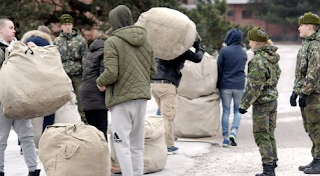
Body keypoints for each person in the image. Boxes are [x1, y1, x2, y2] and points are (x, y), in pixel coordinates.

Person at [96, 5, 156, 176]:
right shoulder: (146, 41)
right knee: (137, 146)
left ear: (114, 21)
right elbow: (153, 71)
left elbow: (111, 73)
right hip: (141, 98)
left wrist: (100, 82)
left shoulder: (112, 42)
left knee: (122, 144)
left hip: (121, 100)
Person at [0, 18, 41, 176]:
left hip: (20, 98)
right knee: (1, 138)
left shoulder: (18, 46)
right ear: (1, 29)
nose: (14, 30)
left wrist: (31, 50)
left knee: (27, 136)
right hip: (2, 100)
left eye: (14, 28)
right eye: (10, 28)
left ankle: (33, 170)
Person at [151, 36, 205, 154]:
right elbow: (197, 58)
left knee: (162, 115)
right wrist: (199, 46)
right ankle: (167, 146)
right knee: (168, 117)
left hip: (155, 84)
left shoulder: (162, 47)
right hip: (167, 85)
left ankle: (161, 142)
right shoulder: (180, 49)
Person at [239, 27, 281, 176]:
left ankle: (268, 169)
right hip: (272, 100)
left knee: (261, 134)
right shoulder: (272, 57)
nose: (249, 43)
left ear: (256, 42)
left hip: (262, 103)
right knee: (269, 132)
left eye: (250, 41)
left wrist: (244, 105)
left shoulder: (257, 60)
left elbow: (254, 86)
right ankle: (273, 160)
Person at [290, 12, 320, 174]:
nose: (298, 28)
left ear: (310, 26)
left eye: (301, 25)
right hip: (308, 94)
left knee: (316, 127)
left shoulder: (316, 45)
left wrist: (305, 93)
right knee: (310, 127)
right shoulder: (306, 44)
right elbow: (301, 72)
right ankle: (316, 159)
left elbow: (314, 72)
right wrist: (296, 92)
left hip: (315, 95)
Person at [217, 28, 247, 147]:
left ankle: (225, 138)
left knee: (226, 111)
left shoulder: (224, 51)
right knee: (237, 110)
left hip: (226, 85)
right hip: (239, 85)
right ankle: (234, 131)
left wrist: (217, 85)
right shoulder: (243, 52)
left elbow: (219, 69)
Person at [53, 14, 88, 114]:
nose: (67, 26)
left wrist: (85, 73)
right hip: (62, 74)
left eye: (69, 24)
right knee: (61, 97)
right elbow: (54, 58)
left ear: (72, 25)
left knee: (81, 96)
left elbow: (85, 57)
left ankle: (82, 116)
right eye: (65, 24)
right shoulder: (57, 42)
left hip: (78, 73)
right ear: (61, 26)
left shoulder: (80, 40)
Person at [79, 33, 109, 140]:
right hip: (96, 95)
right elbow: (103, 75)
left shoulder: (90, 53)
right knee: (101, 133)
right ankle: (103, 156)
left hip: (84, 94)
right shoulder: (105, 52)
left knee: (92, 134)